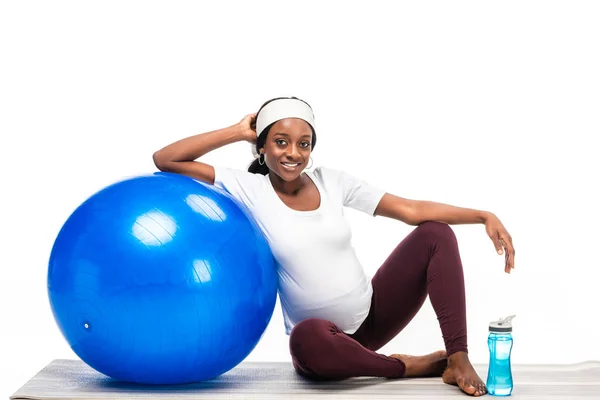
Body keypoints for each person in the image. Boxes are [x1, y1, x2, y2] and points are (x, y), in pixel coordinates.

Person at [152, 96, 515, 397]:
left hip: (372, 318)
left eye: (303, 144)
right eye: (280, 141)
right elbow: (166, 159)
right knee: (306, 339)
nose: (292, 153)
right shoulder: (248, 188)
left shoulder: (332, 182)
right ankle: (406, 366)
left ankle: (457, 358)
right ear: (261, 147)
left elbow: (410, 210)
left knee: (435, 234)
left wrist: (482, 215)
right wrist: (237, 130)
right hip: (321, 344)